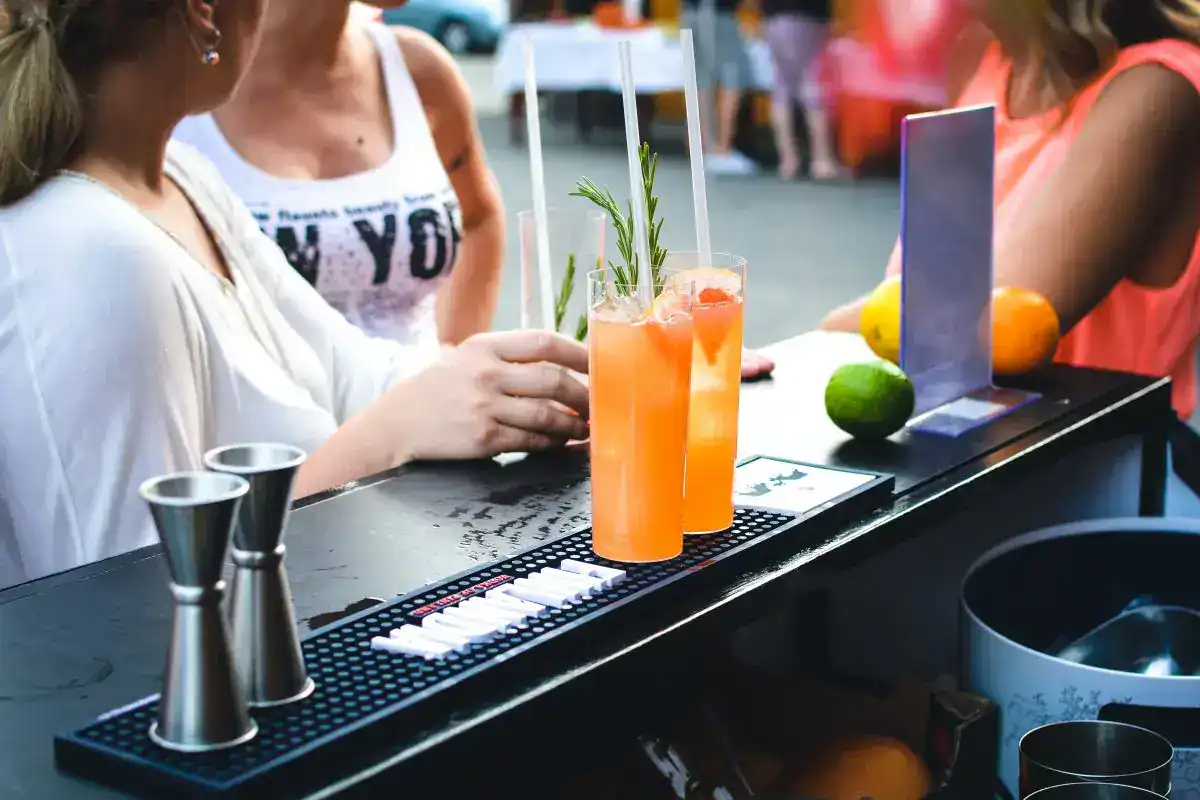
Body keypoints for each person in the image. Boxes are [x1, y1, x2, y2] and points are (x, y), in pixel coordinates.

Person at [0, 0, 589, 588]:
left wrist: (511, 385)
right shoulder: (89, 251)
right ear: (203, 14)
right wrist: (389, 433)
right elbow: (135, 604)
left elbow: (353, 374)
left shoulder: (182, 178)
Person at [820, 0, 1200, 418]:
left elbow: (985, 326)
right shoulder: (982, 58)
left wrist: (815, 339)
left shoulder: (1157, 90)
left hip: (1105, 461)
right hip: (960, 443)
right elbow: (922, 294)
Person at [173, 1, 502, 349]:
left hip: (430, 398)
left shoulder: (418, 73)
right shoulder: (172, 94)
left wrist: (460, 357)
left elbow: (478, 216)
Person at [761, 0, 843, 180]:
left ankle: (788, 160)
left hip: (773, 18)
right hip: (807, 15)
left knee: (781, 87)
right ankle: (821, 160)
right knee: (814, 85)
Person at [682, 0, 760, 176]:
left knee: (700, 79)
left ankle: (702, 146)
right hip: (717, 12)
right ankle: (722, 149)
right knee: (732, 75)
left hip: (690, 11)